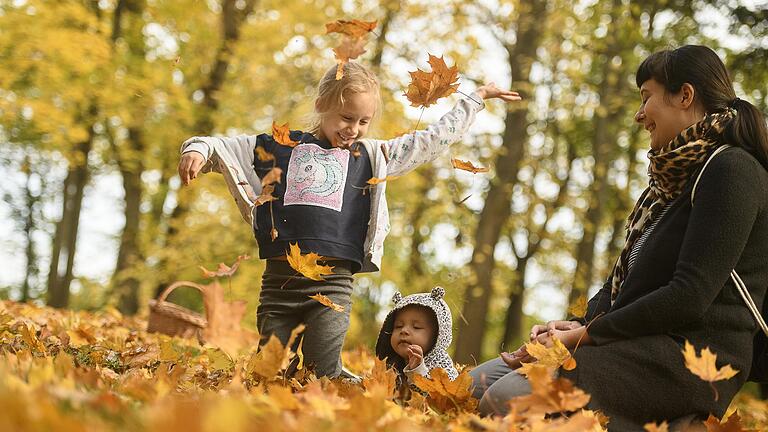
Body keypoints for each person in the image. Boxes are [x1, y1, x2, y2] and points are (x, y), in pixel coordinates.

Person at [469, 45, 768, 430]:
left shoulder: (732, 169)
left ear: (685, 95)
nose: (639, 114)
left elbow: (689, 296)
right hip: (636, 340)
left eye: (646, 98)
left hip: (690, 357)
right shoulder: (664, 189)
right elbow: (624, 289)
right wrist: (572, 325)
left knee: (507, 399)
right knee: (476, 385)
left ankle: (677, 422)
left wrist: (585, 336)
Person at [178, 61, 520, 378]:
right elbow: (223, 148)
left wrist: (474, 99)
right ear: (321, 104)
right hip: (279, 285)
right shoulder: (282, 146)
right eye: (346, 117)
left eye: (363, 121)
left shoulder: (371, 157)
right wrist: (196, 150)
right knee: (267, 370)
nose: (353, 129)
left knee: (321, 371)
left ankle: (345, 399)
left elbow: (428, 141)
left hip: (333, 285)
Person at [375, 287, 458, 383]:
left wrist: (418, 371)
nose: (404, 330)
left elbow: (442, 394)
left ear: (437, 336)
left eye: (416, 327)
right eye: (398, 326)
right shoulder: (391, 363)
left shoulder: (441, 365)